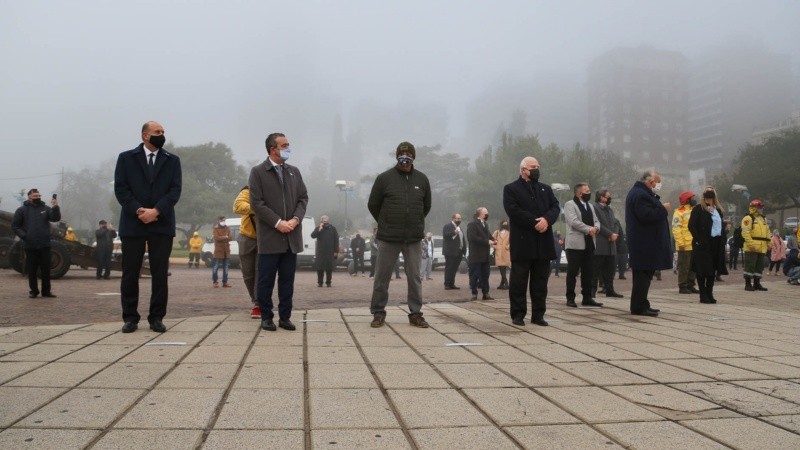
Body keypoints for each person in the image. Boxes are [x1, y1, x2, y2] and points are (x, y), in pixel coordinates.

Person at [114, 120, 182, 333]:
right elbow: (121, 189)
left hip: (161, 223)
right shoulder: (126, 158)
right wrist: (139, 210)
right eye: (157, 132)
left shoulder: (172, 160)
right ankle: (130, 318)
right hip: (133, 223)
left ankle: (157, 317)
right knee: (130, 272)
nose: (161, 135)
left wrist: (156, 211)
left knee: (160, 273)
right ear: (145, 135)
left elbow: (175, 191)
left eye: (163, 132)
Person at [367, 141, 431, 328]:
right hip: (388, 238)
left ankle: (416, 314)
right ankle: (378, 313)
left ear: (413, 157)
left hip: (413, 238)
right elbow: (373, 204)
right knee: (382, 277)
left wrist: (415, 222)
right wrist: (385, 222)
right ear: (397, 156)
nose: (405, 158)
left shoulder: (422, 179)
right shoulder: (384, 178)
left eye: (409, 154)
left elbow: (426, 206)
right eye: (402, 154)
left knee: (415, 278)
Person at [249, 132, 308, 331]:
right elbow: (256, 203)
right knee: (266, 281)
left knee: (287, 281)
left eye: (288, 145)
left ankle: (285, 317)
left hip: (291, 236)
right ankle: (266, 316)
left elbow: (303, 198)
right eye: (284, 145)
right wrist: (277, 222)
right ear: (272, 149)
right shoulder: (258, 172)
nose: (288, 148)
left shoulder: (294, 172)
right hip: (270, 237)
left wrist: (295, 219)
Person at [503, 156, 560, 326]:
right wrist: (535, 222)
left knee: (540, 282)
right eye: (533, 167)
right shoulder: (511, 189)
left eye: (538, 166)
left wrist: (547, 220)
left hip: (543, 242)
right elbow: (513, 210)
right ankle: (518, 314)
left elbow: (555, 207)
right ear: (523, 170)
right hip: (523, 243)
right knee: (519, 282)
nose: (537, 169)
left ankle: (538, 315)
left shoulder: (545, 189)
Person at [625, 171, 672, 317]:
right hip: (644, 243)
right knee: (642, 276)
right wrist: (663, 210)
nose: (659, 185)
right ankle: (638, 306)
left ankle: (642, 303)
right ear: (650, 182)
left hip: (645, 242)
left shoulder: (641, 193)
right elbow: (646, 216)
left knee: (644, 276)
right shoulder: (641, 195)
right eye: (658, 182)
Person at [12, 188, 61, 298]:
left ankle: (46, 291)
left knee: (46, 270)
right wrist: (25, 236)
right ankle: (34, 291)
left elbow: (55, 218)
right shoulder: (21, 210)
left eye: (39, 196)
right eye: (35, 196)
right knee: (32, 270)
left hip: (44, 244)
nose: (38, 198)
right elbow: (15, 226)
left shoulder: (46, 208)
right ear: (29, 197)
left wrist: (55, 207)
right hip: (30, 245)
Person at [564, 183, 603, 308]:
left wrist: (596, 228)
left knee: (588, 272)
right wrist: (588, 229)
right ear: (580, 193)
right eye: (587, 191)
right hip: (575, 245)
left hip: (589, 243)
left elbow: (596, 220)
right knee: (572, 272)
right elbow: (573, 221)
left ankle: (587, 297)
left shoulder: (590, 206)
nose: (589, 193)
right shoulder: (570, 204)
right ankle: (570, 298)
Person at [688, 189, 728, 303]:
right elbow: (691, 226)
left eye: (711, 197)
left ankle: (710, 293)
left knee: (712, 270)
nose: (709, 199)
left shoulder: (718, 210)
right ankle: (703, 294)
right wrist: (699, 239)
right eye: (707, 197)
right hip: (703, 243)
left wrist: (723, 238)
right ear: (704, 197)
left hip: (716, 242)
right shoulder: (698, 209)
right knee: (702, 270)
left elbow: (720, 226)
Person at [233, 185, 260, 318]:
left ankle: (258, 304)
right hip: (246, 237)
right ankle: (254, 299)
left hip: (265, 238)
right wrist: (258, 208)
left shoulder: (272, 191)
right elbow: (237, 206)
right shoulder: (248, 191)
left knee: (260, 271)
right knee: (247, 273)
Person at [593, 189, 624, 299]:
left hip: (611, 244)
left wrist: (614, 233)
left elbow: (615, 223)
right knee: (595, 269)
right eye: (608, 196)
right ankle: (592, 292)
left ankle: (610, 290)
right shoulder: (595, 208)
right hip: (600, 243)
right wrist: (610, 234)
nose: (609, 198)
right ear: (601, 197)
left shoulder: (609, 209)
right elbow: (598, 224)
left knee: (610, 269)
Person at [672, 191, 699, 294]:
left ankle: (691, 285)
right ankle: (682, 286)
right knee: (684, 267)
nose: (694, 200)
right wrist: (680, 243)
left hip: (693, 243)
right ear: (687, 200)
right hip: (684, 245)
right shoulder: (679, 212)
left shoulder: (693, 210)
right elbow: (676, 229)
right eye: (692, 198)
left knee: (693, 267)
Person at [467, 207, 496, 301]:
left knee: (485, 275)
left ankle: (486, 293)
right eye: (486, 213)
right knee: (475, 275)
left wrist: (494, 240)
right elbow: (472, 238)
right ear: (480, 214)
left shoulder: (485, 224)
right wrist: (487, 241)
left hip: (485, 255)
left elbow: (488, 235)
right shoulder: (472, 224)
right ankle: (474, 293)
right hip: (476, 255)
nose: (487, 214)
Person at [741, 199, 770, 291]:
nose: (761, 209)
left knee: (759, 266)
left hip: (762, 246)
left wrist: (769, 243)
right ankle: (748, 284)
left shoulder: (763, 219)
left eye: (761, 207)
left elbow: (767, 232)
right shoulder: (748, 218)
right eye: (759, 207)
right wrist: (750, 244)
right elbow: (746, 233)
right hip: (752, 247)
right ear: (754, 208)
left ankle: (757, 283)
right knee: (750, 265)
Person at [311, 216, 339, 287]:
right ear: (321, 221)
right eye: (324, 221)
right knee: (320, 268)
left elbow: (336, 240)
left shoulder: (333, 229)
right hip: (320, 252)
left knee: (329, 268)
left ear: (328, 221)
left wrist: (336, 251)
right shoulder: (318, 228)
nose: (325, 222)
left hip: (330, 251)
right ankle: (320, 282)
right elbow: (312, 236)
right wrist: (319, 229)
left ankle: (328, 282)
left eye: (326, 221)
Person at [442, 213, 466, 289]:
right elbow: (445, 236)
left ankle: (452, 284)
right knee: (449, 268)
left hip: (459, 251)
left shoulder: (459, 228)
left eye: (460, 218)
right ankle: (447, 284)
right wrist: (454, 232)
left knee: (454, 268)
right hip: (450, 251)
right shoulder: (447, 226)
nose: (459, 220)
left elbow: (462, 239)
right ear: (453, 218)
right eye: (457, 218)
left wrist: (464, 249)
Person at [212, 216, 232, 288]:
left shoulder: (228, 228)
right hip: (218, 251)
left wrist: (223, 237)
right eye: (222, 220)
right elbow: (216, 238)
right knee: (215, 267)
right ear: (219, 221)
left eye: (224, 220)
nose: (223, 222)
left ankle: (225, 282)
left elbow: (230, 238)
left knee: (226, 268)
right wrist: (225, 237)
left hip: (226, 250)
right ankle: (215, 282)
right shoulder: (215, 228)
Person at [492, 220, 511, 289]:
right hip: (499, 252)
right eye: (503, 224)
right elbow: (492, 240)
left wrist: (507, 247)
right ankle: (504, 283)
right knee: (501, 268)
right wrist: (495, 246)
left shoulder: (510, 233)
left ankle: (505, 284)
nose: (505, 225)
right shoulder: (496, 232)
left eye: (506, 224)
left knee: (503, 268)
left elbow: (512, 241)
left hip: (506, 252)